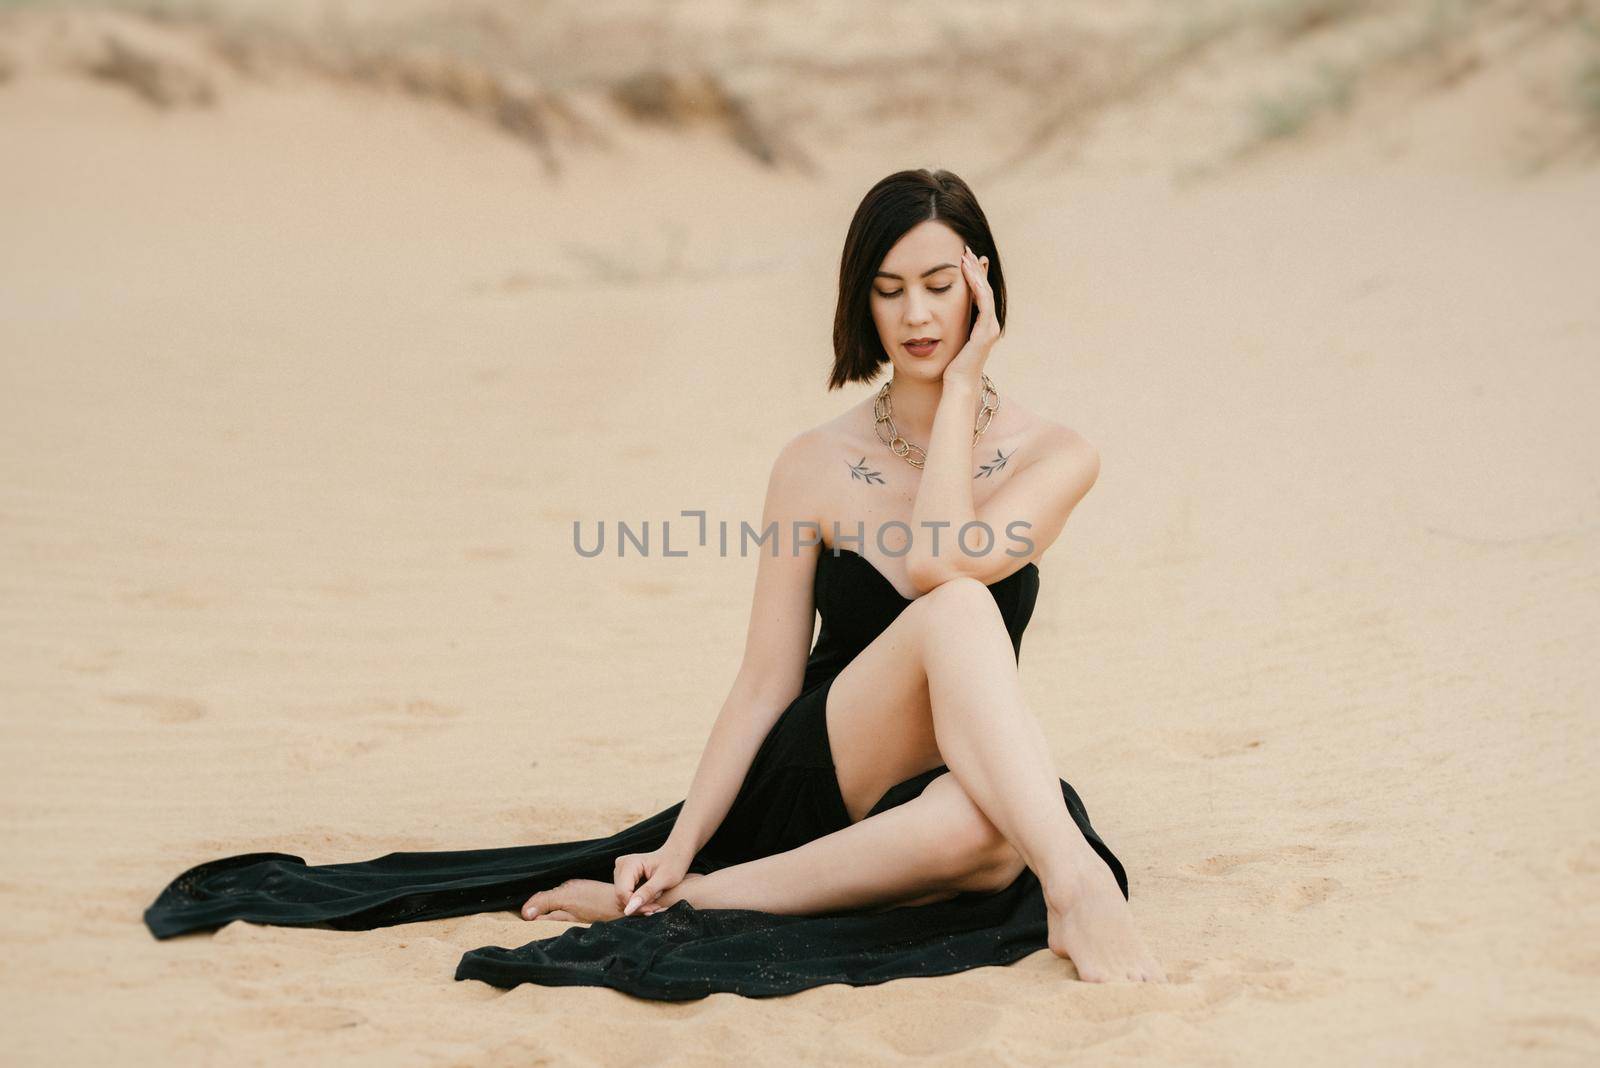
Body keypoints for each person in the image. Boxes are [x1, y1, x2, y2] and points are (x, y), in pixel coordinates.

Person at [144, 167, 1165, 996]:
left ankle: (703, 904)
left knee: (982, 832)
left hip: (947, 778)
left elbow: (945, 545)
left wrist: (965, 393)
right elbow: (774, 675)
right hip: (821, 768)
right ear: (859, 298)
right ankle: (1072, 880)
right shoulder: (811, 464)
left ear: (982, 286)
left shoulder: (1055, 455)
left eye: (940, 285)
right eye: (888, 288)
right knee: (957, 611)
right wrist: (679, 836)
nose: (916, 314)